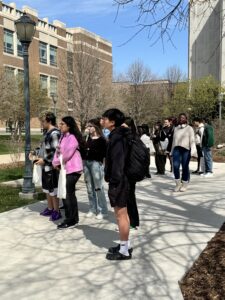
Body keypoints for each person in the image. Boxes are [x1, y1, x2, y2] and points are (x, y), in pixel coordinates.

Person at [102, 108, 132, 260]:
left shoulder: (117, 138)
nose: (103, 121)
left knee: (120, 215)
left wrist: (114, 180)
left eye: (105, 119)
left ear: (112, 122)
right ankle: (124, 245)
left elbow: (118, 162)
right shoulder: (119, 135)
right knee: (123, 215)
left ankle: (124, 251)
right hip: (122, 180)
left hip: (118, 181)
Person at [53, 116, 83, 229]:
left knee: (67, 194)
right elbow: (58, 152)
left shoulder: (72, 138)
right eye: (60, 124)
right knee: (67, 194)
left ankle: (70, 219)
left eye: (62, 124)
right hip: (64, 169)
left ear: (69, 126)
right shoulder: (62, 137)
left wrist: (57, 163)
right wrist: (55, 162)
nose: (60, 126)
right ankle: (73, 218)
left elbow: (66, 154)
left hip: (73, 169)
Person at [30, 112, 61, 221]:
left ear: (49, 121)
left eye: (43, 121)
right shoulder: (46, 133)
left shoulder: (55, 134)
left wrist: (45, 160)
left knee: (53, 189)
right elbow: (42, 147)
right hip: (45, 166)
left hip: (51, 166)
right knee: (47, 189)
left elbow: (57, 151)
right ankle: (50, 208)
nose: (41, 123)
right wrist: (34, 152)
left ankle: (57, 211)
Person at [84, 118, 108, 220]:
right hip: (86, 163)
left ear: (96, 127)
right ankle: (92, 208)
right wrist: (84, 136)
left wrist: (90, 150)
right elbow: (81, 148)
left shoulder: (102, 140)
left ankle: (103, 210)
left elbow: (103, 154)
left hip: (96, 164)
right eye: (87, 126)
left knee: (98, 187)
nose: (88, 128)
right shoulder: (87, 138)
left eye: (90, 126)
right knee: (89, 188)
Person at [171, 113, 197, 192]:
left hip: (186, 149)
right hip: (176, 149)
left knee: (185, 167)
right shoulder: (176, 128)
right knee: (175, 166)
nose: (181, 119)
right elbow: (173, 141)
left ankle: (185, 184)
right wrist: (171, 151)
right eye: (180, 117)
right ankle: (178, 184)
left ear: (186, 119)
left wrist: (193, 152)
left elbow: (192, 140)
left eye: (183, 117)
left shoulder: (189, 128)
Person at [122, 117, 139, 230]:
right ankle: (132, 221)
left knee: (129, 197)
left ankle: (132, 222)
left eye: (123, 126)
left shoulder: (130, 138)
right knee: (128, 196)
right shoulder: (131, 137)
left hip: (129, 171)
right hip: (127, 170)